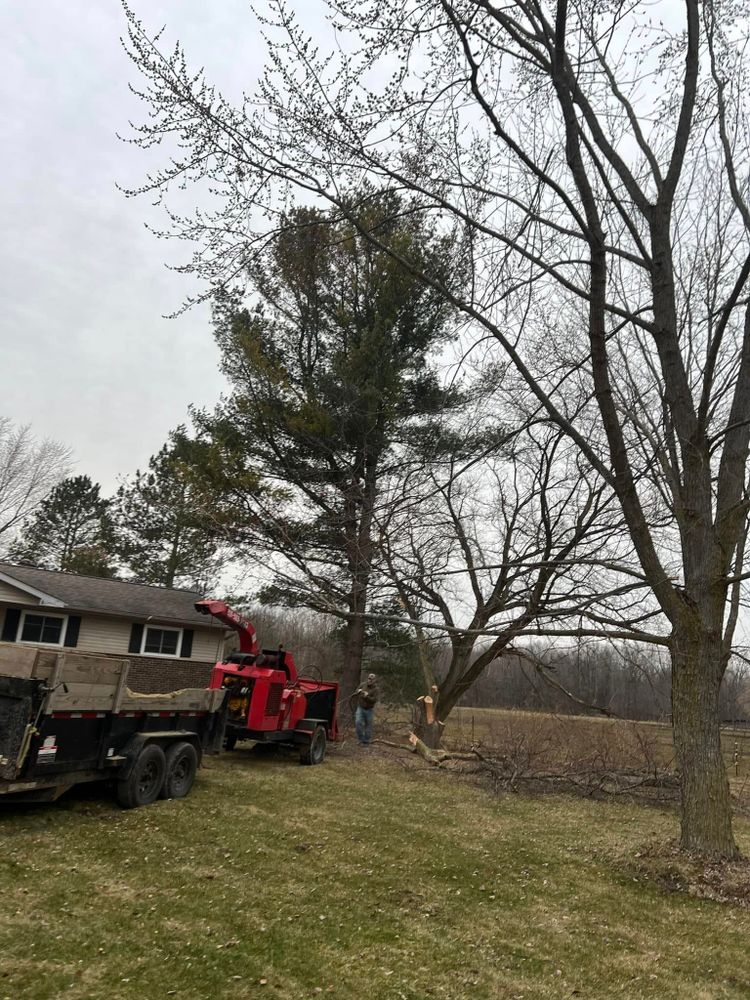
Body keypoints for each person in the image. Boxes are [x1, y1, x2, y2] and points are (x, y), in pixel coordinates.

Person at [350, 673, 379, 746]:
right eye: (369, 678)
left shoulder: (376, 689)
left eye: (371, 679)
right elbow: (356, 691)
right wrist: (358, 691)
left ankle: (366, 742)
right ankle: (360, 739)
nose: (369, 680)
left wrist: (367, 696)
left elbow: (374, 700)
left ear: (374, 680)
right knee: (358, 722)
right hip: (360, 707)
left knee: (368, 726)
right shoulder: (363, 684)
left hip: (369, 709)